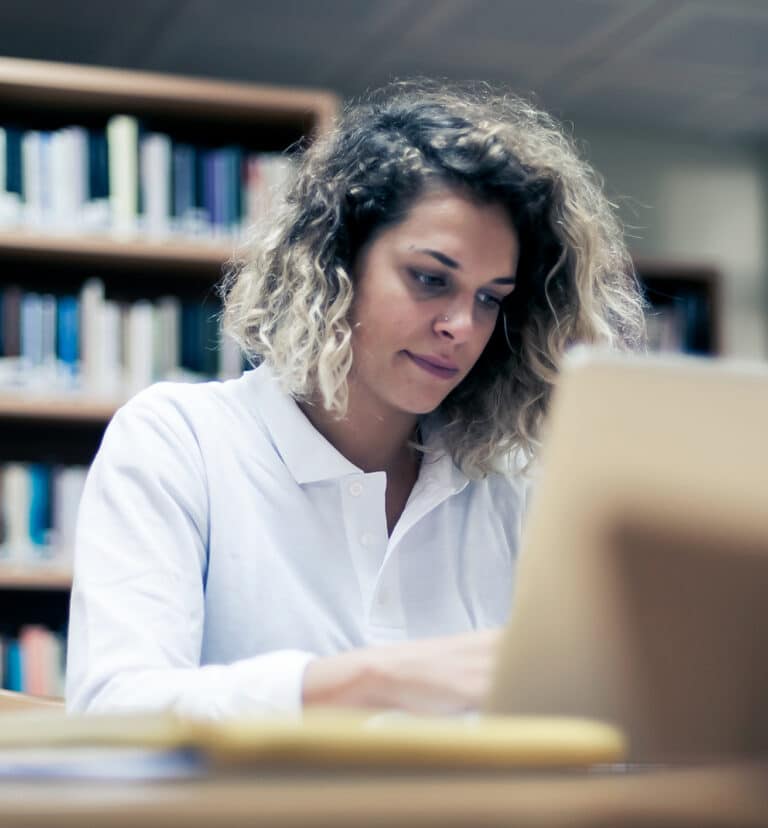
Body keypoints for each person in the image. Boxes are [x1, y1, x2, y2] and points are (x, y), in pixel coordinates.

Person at [65, 81, 645, 719]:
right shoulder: (180, 441)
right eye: (430, 279)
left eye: (490, 298)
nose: (463, 325)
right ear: (337, 260)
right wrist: (370, 682)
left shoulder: (509, 492)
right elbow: (112, 711)